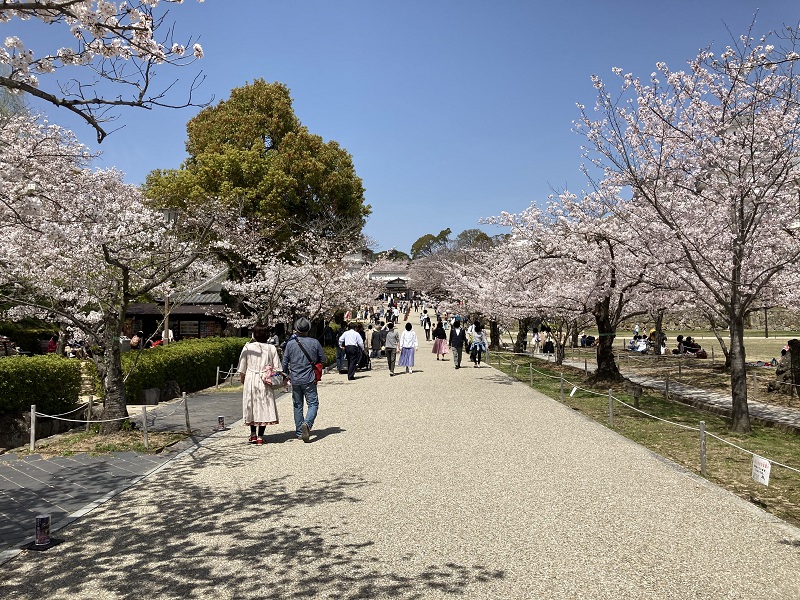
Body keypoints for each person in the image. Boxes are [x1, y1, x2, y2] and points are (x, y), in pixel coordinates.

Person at [282, 317, 326, 443]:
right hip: (309, 378)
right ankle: (307, 423)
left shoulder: (290, 344)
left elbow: (284, 362)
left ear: (296, 329)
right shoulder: (315, 342)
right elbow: (323, 359)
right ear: (308, 329)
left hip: (295, 379)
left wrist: (285, 376)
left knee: (297, 405)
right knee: (313, 404)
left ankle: (300, 432)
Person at [238, 324, 282, 445]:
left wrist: (243, 379)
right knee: (264, 404)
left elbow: (242, 367)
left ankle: (253, 434)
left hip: (251, 378)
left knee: (251, 404)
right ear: (268, 336)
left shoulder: (247, 347)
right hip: (265, 379)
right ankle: (260, 436)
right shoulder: (271, 348)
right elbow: (277, 368)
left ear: (254, 335)